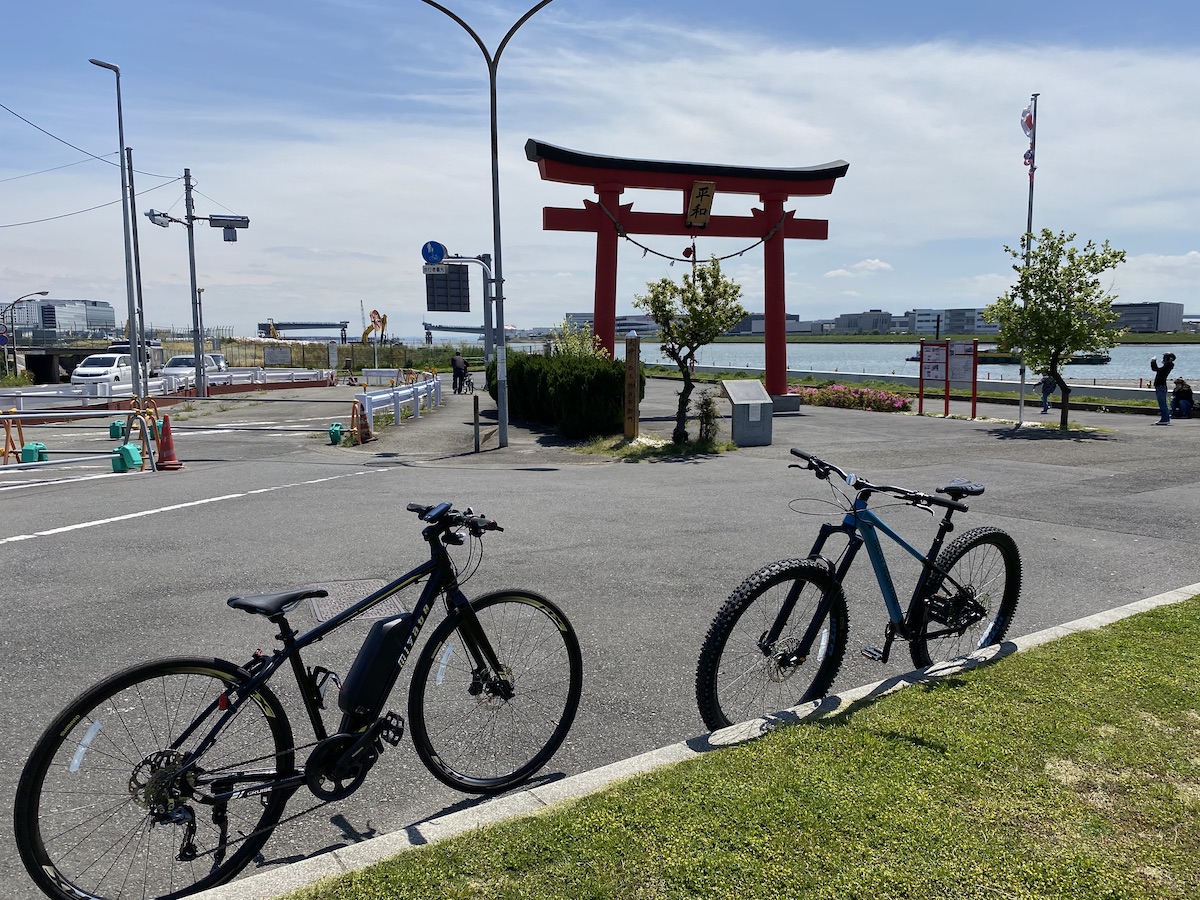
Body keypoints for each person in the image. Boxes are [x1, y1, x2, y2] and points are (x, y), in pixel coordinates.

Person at [1150, 352, 1175, 424]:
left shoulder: (1168, 366)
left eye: (1165, 357)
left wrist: (1153, 361)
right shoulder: (1168, 365)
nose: (1163, 359)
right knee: (1163, 403)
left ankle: (1165, 419)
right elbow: (1156, 369)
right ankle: (1165, 418)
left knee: (1162, 403)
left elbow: (1155, 369)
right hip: (1161, 386)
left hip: (1161, 386)